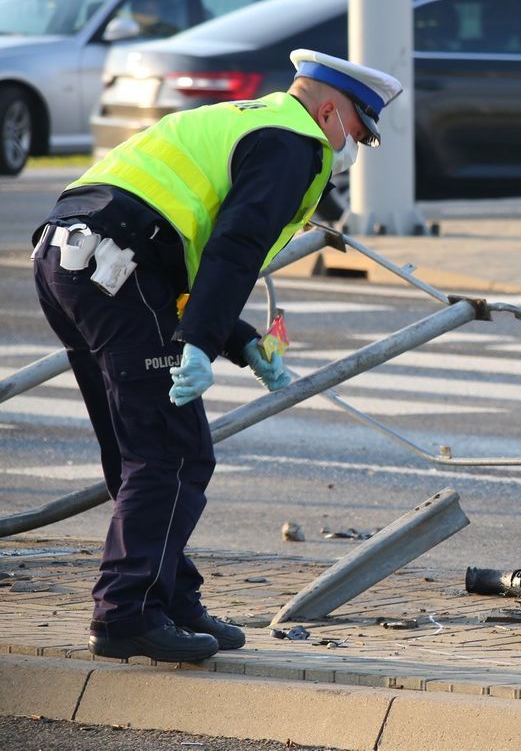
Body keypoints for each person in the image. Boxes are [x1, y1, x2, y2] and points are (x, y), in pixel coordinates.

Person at [29, 49, 402, 663]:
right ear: (331, 111)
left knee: (137, 450)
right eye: (359, 132)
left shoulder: (242, 119)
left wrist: (238, 336)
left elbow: (184, 245)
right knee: (172, 453)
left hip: (72, 260)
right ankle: (127, 614)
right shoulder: (293, 142)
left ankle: (168, 596)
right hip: (120, 268)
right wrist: (198, 343)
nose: (353, 150)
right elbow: (235, 247)